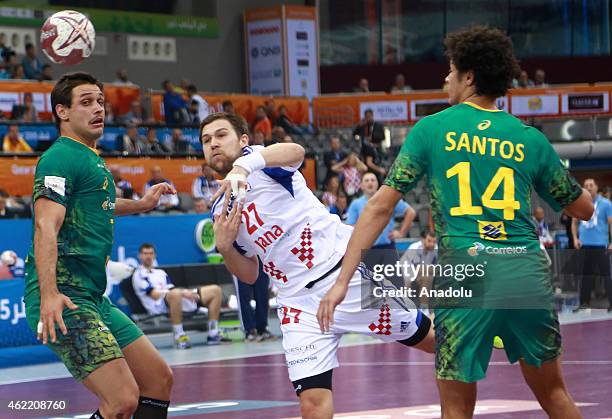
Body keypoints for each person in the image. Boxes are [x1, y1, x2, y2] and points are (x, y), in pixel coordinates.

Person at [319, 26, 593, 419]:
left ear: (469, 77)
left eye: (450, 70)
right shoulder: (528, 138)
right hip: (524, 272)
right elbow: (582, 208)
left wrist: (343, 280)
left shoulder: (432, 130)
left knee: (456, 408)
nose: (445, 78)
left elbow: (380, 207)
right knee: (554, 394)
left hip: (465, 272)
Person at [203, 112, 434, 418]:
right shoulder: (221, 209)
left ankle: (487, 338)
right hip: (297, 305)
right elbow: (250, 273)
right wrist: (224, 248)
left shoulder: (262, 162)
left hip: (341, 279)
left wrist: (243, 166)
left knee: (431, 341)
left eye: (221, 135)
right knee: (311, 404)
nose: (213, 144)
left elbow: (296, 152)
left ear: (244, 140)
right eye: (206, 140)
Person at [24, 72, 176, 418]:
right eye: (86, 102)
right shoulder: (59, 158)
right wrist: (49, 294)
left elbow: (100, 204)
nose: (98, 109)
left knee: (158, 380)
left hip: (93, 297)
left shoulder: (91, 158)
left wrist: (140, 204)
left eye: (101, 102)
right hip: (64, 297)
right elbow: (46, 224)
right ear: (62, 112)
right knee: (122, 401)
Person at [132, 243, 225, 348]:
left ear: (154, 255)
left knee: (215, 290)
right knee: (176, 294)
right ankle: (179, 335)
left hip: (173, 299)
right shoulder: (138, 274)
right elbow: (155, 295)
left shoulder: (160, 272)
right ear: (140, 255)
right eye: (145, 253)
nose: (148, 256)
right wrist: (182, 293)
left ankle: (213, 333)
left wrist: (187, 293)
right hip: (159, 306)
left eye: (151, 253)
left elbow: (171, 288)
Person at [572, 178, 612, 312]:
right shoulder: (580, 203)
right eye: (586, 186)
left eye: (591, 185)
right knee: (585, 276)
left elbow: (611, 223)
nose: (588, 188)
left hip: (601, 244)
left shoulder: (605, 203)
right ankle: (584, 302)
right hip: (585, 245)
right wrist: (575, 238)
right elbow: (574, 222)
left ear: (596, 187)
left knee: (606, 275)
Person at [233, 260, 275, 342]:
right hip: (240, 258)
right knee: (244, 296)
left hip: (260, 258)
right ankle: (249, 330)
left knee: (263, 294)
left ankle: (262, 328)